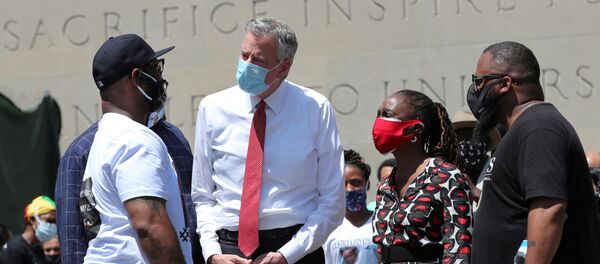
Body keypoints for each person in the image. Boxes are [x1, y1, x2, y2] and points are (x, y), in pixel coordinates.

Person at [192, 17, 344, 264]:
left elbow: (332, 202)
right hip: (227, 249)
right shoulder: (213, 108)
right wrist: (212, 253)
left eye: (258, 60)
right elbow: (202, 195)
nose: (246, 64)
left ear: (283, 67)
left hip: (295, 247)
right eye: (244, 55)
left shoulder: (315, 109)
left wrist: (288, 254)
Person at [469, 41, 600, 263]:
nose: (475, 90)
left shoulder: (539, 128)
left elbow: (549, 210)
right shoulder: (523, 129)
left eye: (480, 82)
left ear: (505, 84)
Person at [81, 34, 191, 263]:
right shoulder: (134, 140)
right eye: (155, 68)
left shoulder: (106, 135)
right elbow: (149, 227)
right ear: (137, 77)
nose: (161, 77)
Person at [55, 98, 202, 263]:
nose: (160, 82)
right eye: (154, 72)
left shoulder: (174, 137)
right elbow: (72, 233)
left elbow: (192, 201)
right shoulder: (84, 148)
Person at [371, 89, 472, 263]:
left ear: (415, 129)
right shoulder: (385, 185)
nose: (379, 122)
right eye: (378, 115)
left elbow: (458, 246)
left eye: (387, 115)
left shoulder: (446, 177)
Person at [323, 150, 378, 264]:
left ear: (367, 185)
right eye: (342, 184)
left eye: (356, 182)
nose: (349, 189)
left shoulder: (381, 224)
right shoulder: (327, 228)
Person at [0, 196, 57, 264]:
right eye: (50, 221)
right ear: (32, 220)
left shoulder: (38, 249)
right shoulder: (14, 249)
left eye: (55, 222)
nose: (53, 225)